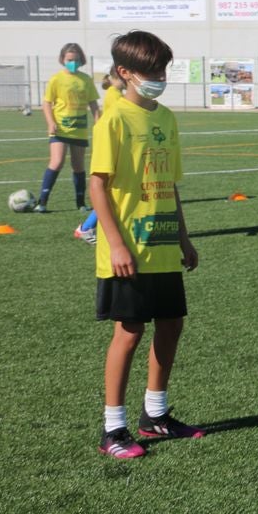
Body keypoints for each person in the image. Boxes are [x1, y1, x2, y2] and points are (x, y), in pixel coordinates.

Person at [90, 30, 202, 459]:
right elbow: (98, 186)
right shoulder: (113, 119)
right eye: (152, 71)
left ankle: (154, 415)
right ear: (125, 72)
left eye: (163, 69)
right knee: (130, 331)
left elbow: (169, 186)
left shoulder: (166, 118)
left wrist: (184, 237)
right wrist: (116, 244)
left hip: (162, 243)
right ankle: (112, 428)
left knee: (172, 321)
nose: (160, 77)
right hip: (128, 249)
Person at [36, 43, 100, 212]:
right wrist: (50, 122)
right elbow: (47, 102)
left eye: (76, 60)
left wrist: (98, 122)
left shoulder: (86, 80)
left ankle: (80, 203)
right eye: (70, 59)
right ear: (62, 60)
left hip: (79, 130)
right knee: (57, 162)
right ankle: (42, 202)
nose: (73, 62)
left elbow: (93, 103)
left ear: (81, 60)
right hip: (60, 130)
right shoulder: (56, 79)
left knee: (78, 166)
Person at [75, 70, 126, 245]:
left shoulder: (116, 93)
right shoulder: (114, 94)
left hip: (115, 146)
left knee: (112, 192)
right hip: (114, 147)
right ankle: (86, 228)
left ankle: (87, 227)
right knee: (110, 192)